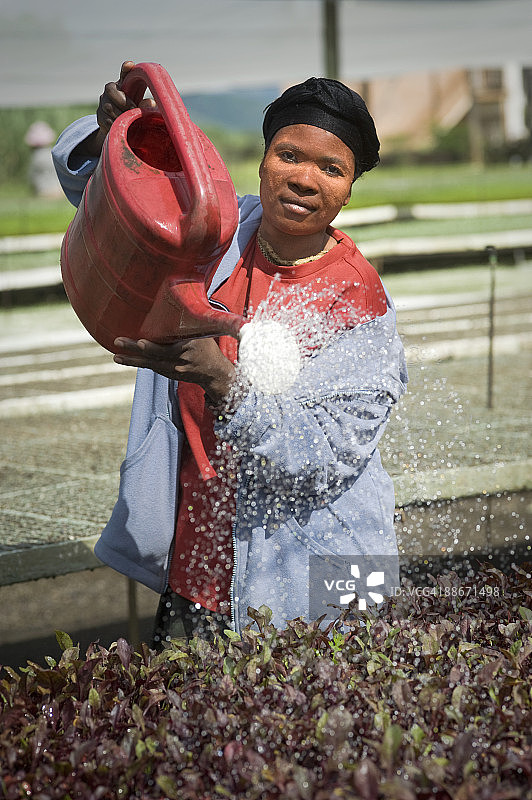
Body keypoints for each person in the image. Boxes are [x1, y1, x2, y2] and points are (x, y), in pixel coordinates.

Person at [52, 62, 407, 646]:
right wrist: (113, 140)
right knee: (202, 725)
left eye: (332, 169)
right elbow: (115, 205)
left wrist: (227, 385)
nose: (305, 179)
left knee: (348, 710)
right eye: (290, 155)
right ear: (264, 157)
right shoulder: (217, 229)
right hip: (201, 561)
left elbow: (323, 456)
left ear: (350, 186)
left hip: (334, 560)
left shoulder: (358, 298)